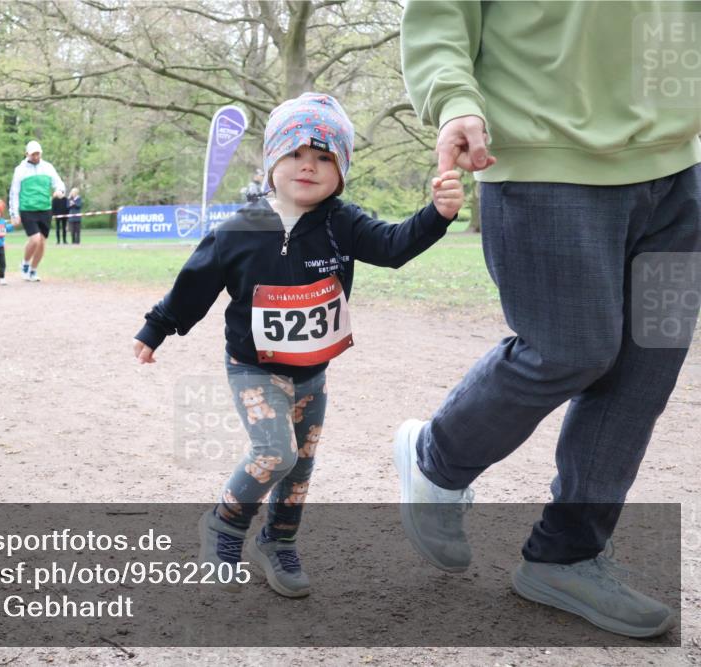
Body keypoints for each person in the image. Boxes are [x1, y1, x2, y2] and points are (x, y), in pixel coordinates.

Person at [398, 1, 700, 638]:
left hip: (679, 175)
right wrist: (455, 99)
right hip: (544, 159)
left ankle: (567, 555)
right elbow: (440, 15)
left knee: (646, 372)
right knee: (572, 349)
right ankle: (436, 459)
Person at [132, 93, 464, 598]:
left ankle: (279, 541)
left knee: (301, 466)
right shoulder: (239, 228)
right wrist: (157, 327)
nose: (308, 165)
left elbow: (394, 247)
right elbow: (194, 285)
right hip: (253, 368)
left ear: (341, 170)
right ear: (271, 162)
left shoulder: (342, 223)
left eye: (324, 156)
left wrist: (436, 215)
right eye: (294, 153)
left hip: (311, 372)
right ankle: (224, 525)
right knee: (276, 452)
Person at [8, 140, 64, 282]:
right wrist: (14, 213)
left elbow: (59, 183)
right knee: (35, 239)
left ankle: (33, 270)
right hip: (27, 209)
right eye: (33, 154)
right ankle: (25, 263)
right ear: (27, 154)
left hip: (45, 208)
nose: (36, 156)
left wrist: (59, 191)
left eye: (38, 153)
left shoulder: (48, 167)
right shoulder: (20, 170)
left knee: (42, 242)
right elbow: (14, 192)